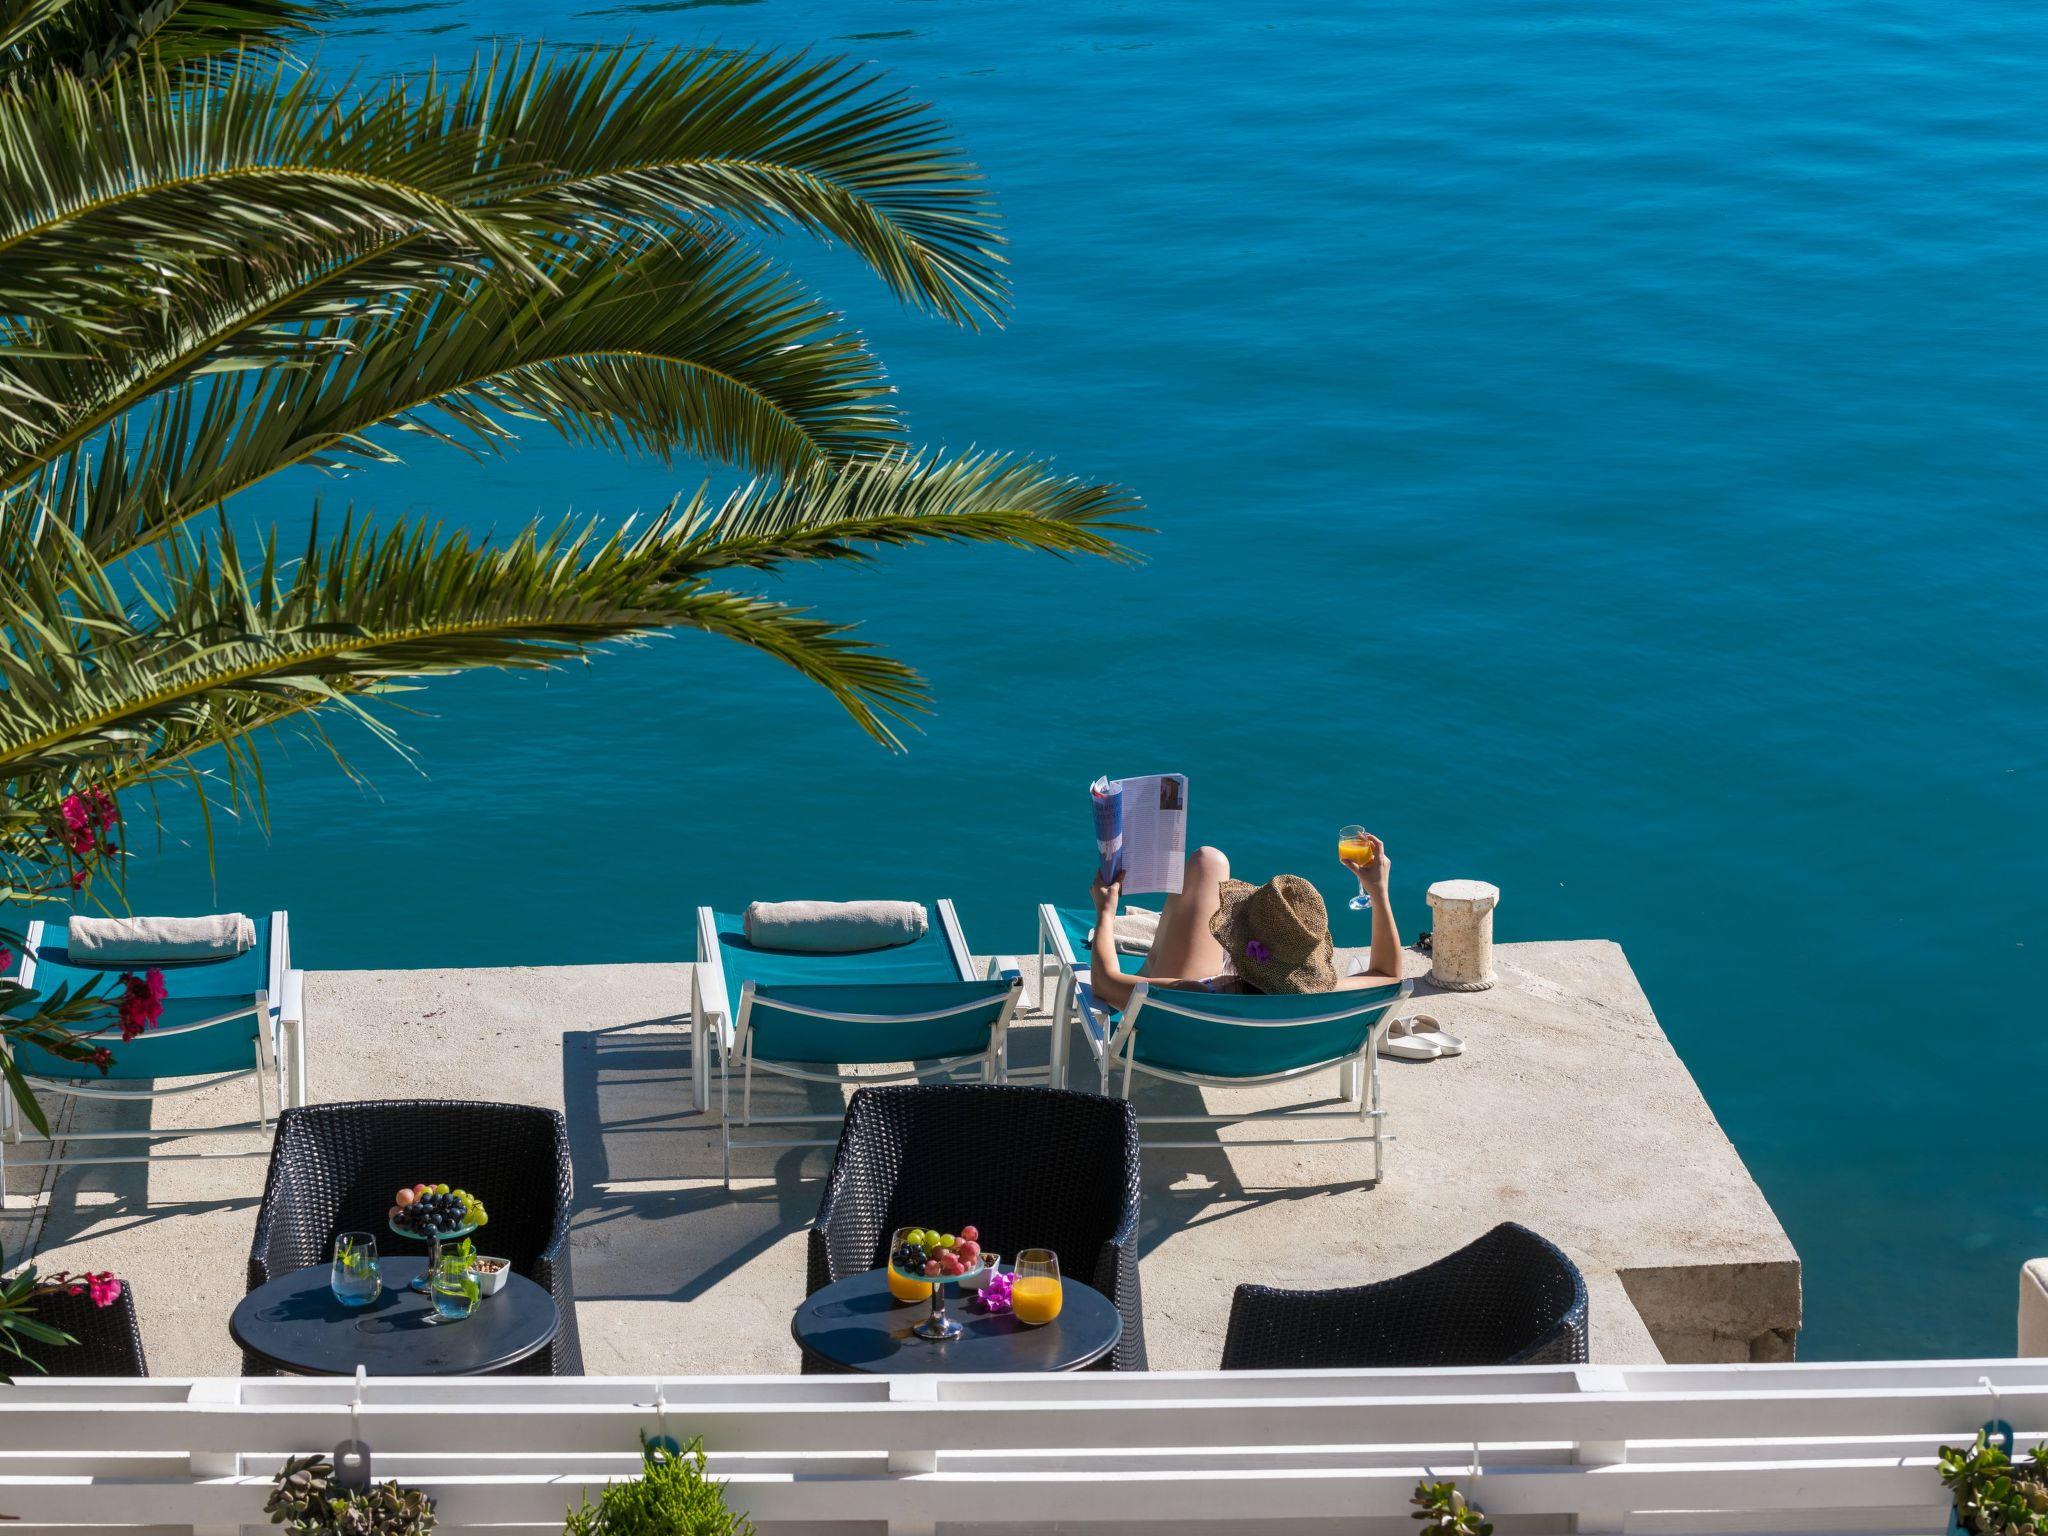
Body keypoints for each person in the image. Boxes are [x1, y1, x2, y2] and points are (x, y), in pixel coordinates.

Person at [1087, 833, 1401, 1011]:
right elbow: (1388, 975)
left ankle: (1149, 964)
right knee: (1209, 861)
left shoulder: (1190, 994)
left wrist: (1105, 913)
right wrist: (1379, 893)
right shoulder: (1319, 997)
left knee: (1207, 860)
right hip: (1256, 1056)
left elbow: (1104, 983)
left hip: (1196, 1031)